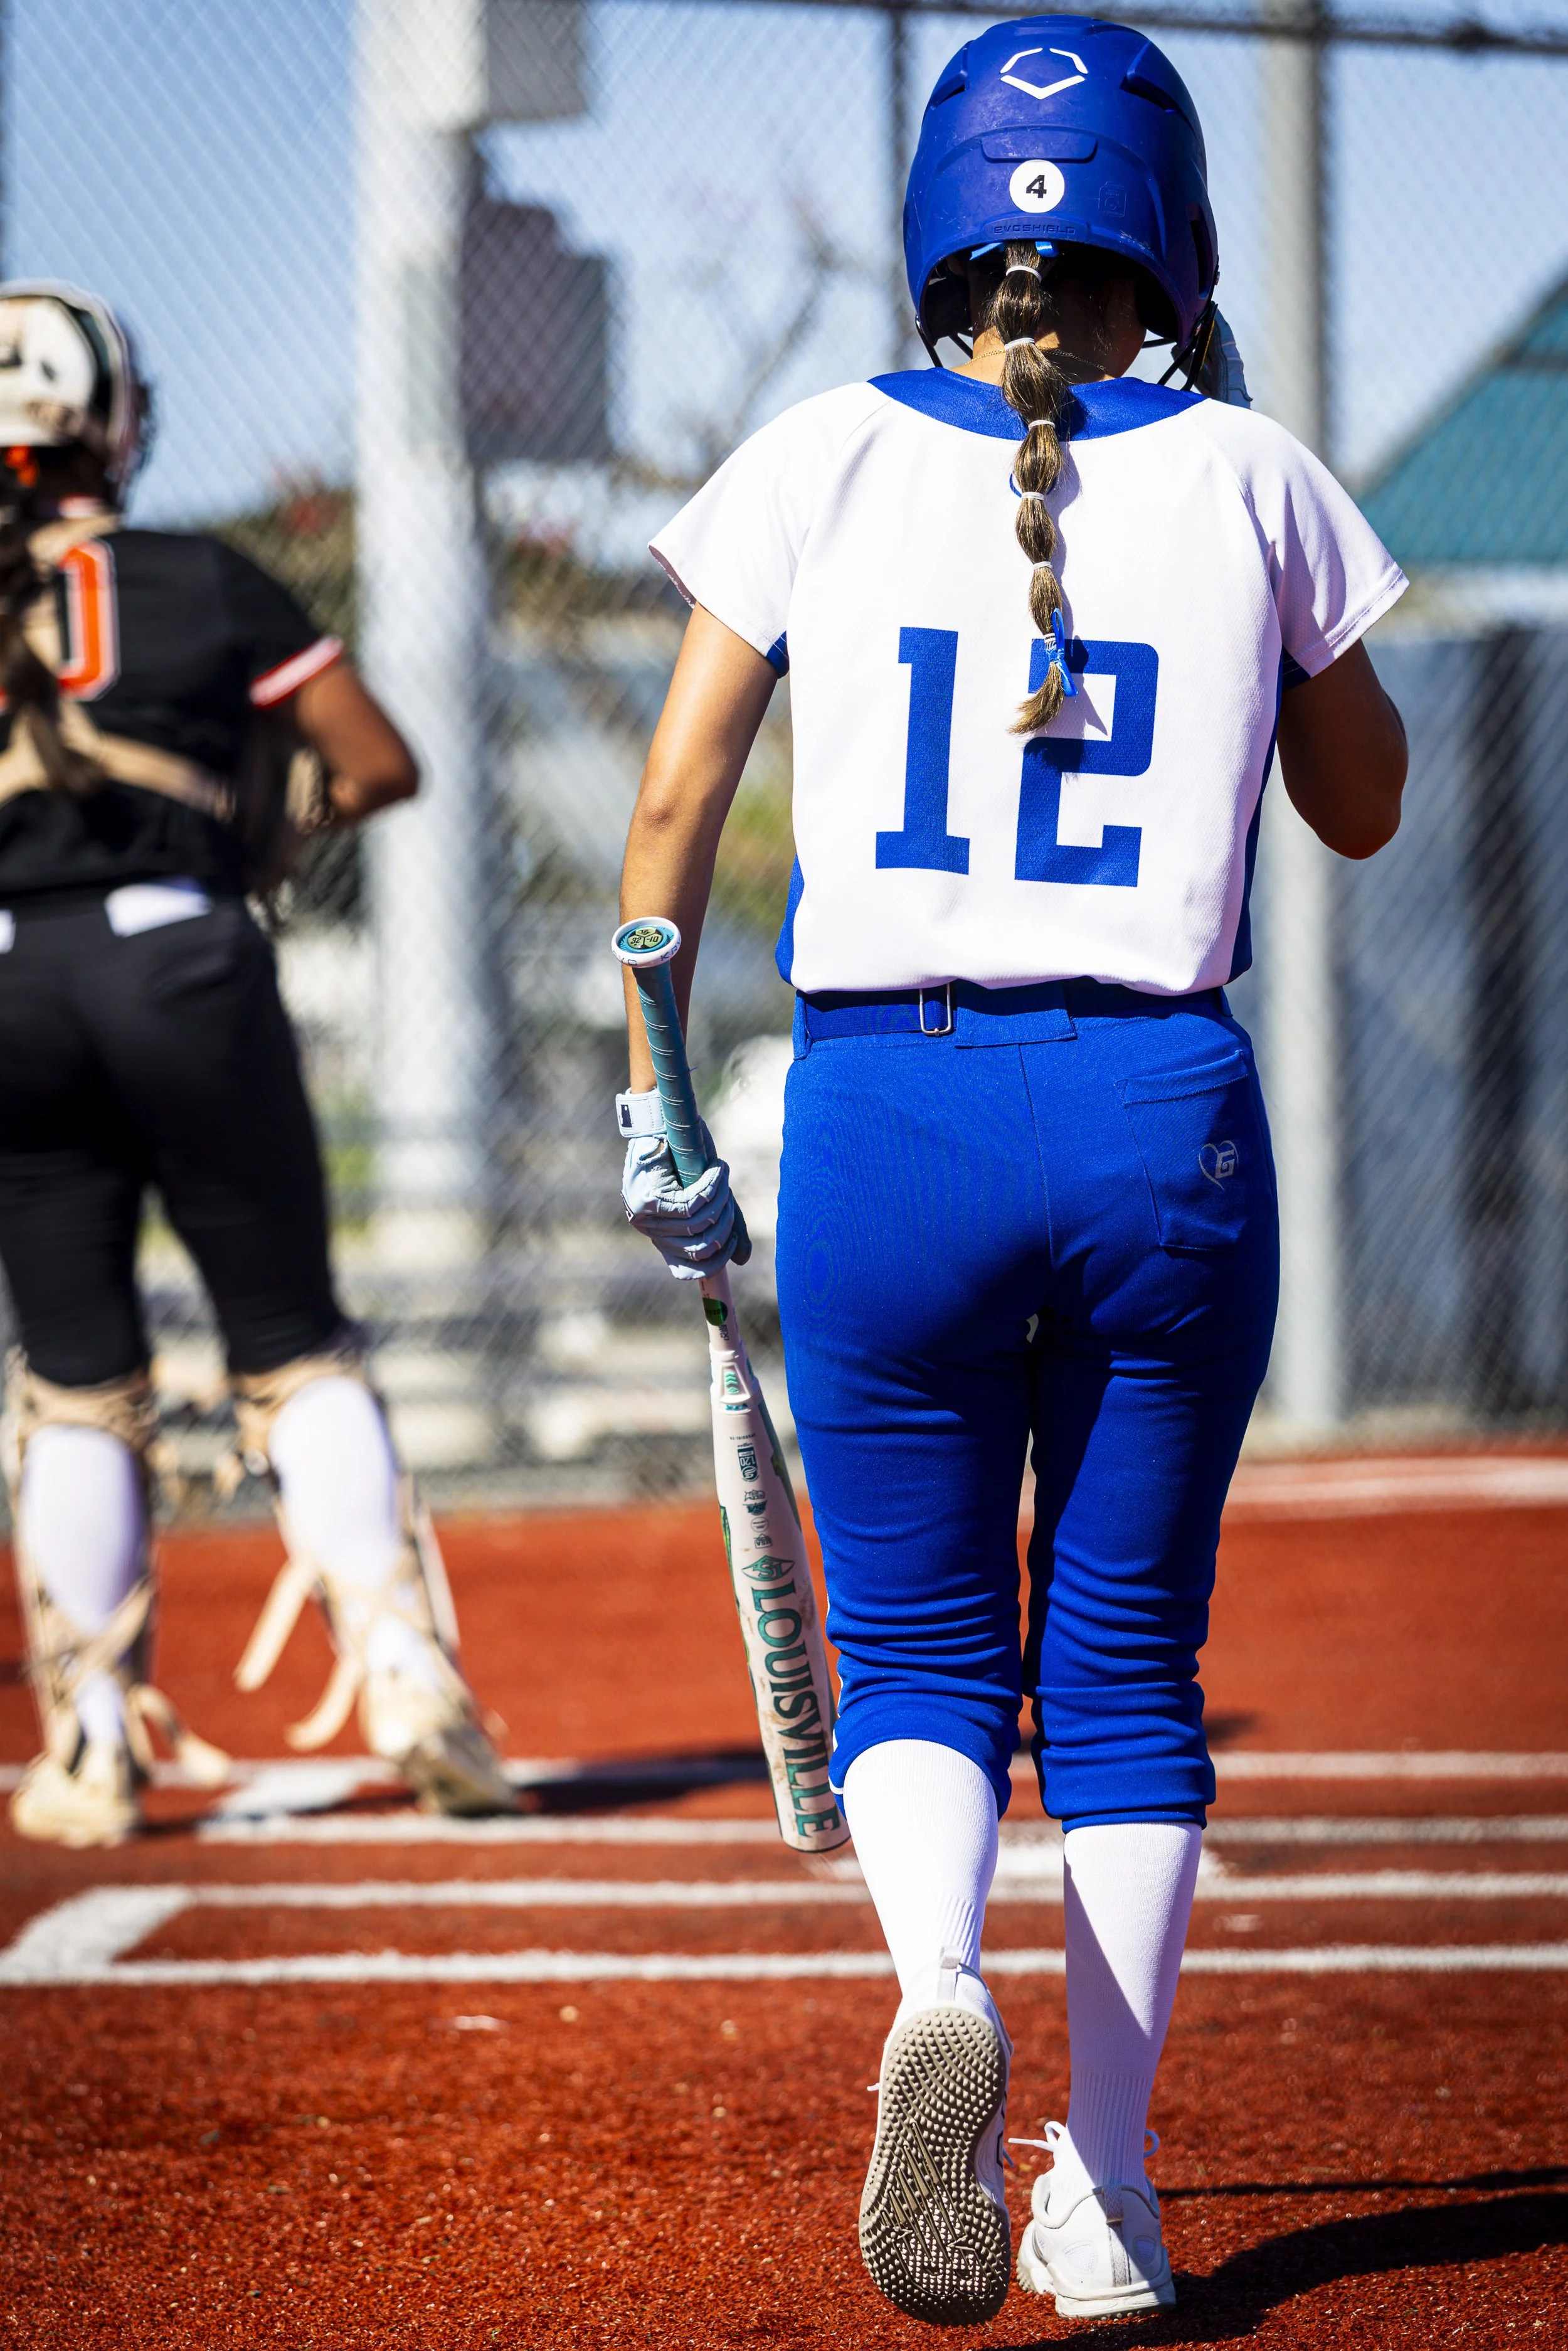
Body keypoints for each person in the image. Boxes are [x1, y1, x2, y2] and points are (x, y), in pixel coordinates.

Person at [617, 16, 1408, 2325]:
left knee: (918, 1644)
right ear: (1174, 244)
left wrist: (657, 1088)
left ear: (942, 236)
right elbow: (1360, 804)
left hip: (891, 1103)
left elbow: (671, 808)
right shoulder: (1251, 467)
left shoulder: (819, 450)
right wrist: (1245, 485)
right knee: (1130, 1666)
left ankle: (935, 1980)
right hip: (1160, 1109)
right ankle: (1118, 2193)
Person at [0, 280, 512, 1849]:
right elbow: (378, 760)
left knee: (76, 1378)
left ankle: (93, 1735)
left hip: (14, 979)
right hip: (183, 960)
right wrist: (266, 830)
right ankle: (406, 1675)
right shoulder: (202, 575)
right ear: (113, 423)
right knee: (291, 1343)